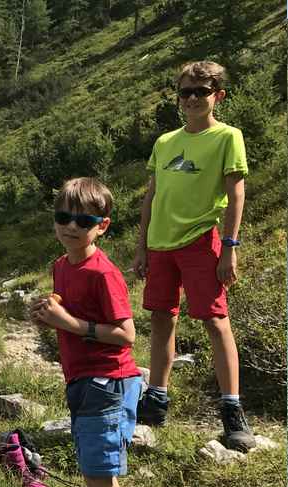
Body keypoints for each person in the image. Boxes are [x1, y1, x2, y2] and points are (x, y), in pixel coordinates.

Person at [131, 60, 254, 451]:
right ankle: (156, 398)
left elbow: (236, 194)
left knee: (216, 322)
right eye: (185, 91)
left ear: (218, 96)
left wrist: (230, 248)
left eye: (201, 91)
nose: (191, 99)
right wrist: (142, 246)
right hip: (161, 245)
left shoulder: (227, 137)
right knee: (162, 320)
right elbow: (152, 195)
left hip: (202, 240)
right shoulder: (165, 142)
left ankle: (232, 409)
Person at [30, 178, 140, 487]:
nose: (71, 226)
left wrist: (72, 324)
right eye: (63, 217)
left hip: (107, 382)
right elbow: (70, 317)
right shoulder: (61, 266)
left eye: (83, 220)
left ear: (102, 226)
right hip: (82, 380)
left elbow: (126, 334)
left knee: (97, 478)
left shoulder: (103, 273)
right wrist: (50, 319)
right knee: (105, 476)